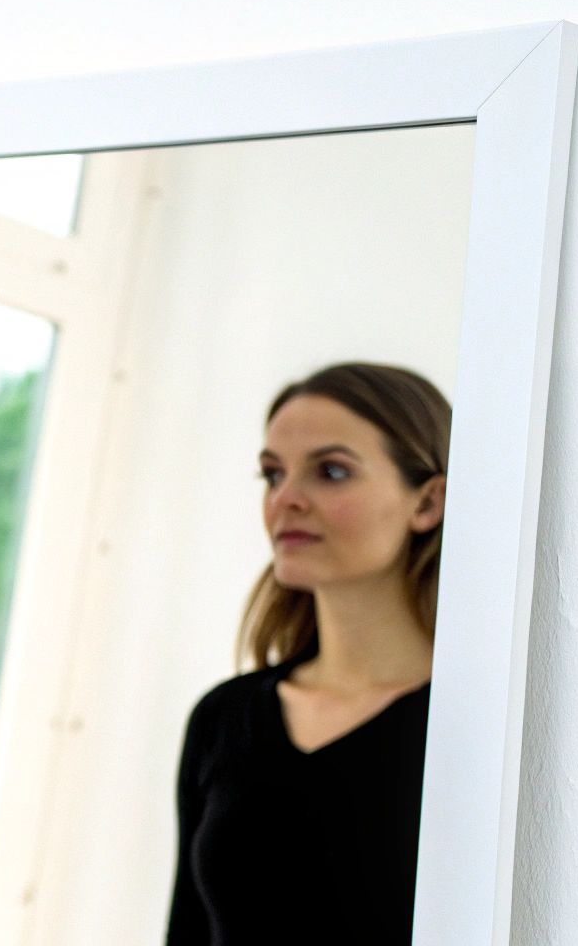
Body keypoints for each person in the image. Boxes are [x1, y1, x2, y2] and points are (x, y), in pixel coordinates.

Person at [165, 362, 450, 946]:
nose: (286, 499)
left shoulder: (468, 729)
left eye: (332, 471)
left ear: (427, 502)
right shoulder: (224, 719)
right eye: (272, 475)